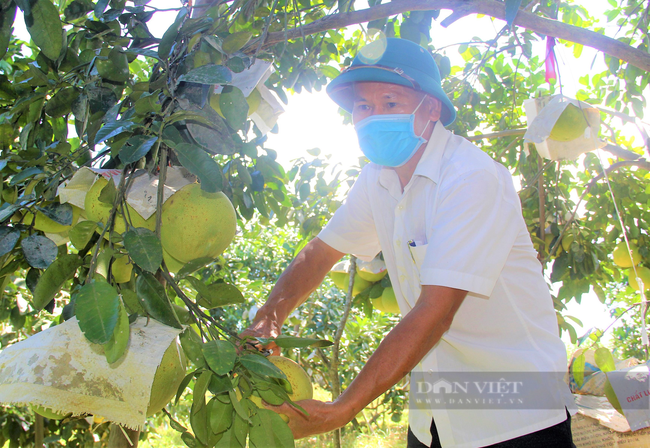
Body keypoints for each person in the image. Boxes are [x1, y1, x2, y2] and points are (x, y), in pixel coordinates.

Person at [242, 37, 576, 447]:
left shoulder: (470, 177)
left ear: (430, 108)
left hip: (517, 416)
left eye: (390, 102)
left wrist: (341, 409)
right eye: (363, 107)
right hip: (436, 415)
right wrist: (268, 318)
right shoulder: (377, 178)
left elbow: (435, 312)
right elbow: (322, 251)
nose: (373, 116)